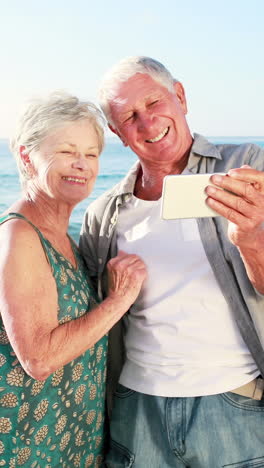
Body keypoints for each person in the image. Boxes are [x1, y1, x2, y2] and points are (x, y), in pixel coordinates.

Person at [79, 56, 264, 467]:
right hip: (136, 407)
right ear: (116, 133)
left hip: (235, 400)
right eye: (129, 117)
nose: (147, 124)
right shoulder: (102, 214)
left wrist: (250, 239)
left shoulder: (248, 167)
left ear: (179, 96)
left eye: (154, 103)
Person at [0, 91, 146, 468]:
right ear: (26, 156)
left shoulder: (64, 237)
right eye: (66, 151)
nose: (81, 165)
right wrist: (117, 301)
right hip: (27, 446)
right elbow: (39, 358)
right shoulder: (20, 235)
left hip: (72, 439)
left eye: (91, 154)